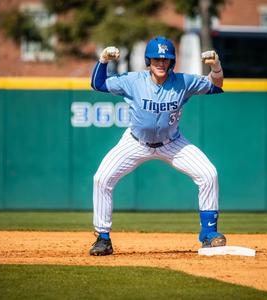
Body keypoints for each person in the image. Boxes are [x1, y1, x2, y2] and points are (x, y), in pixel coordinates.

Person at [89, 36, 225, 256]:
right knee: (101, 178)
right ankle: (103, 237)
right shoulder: (133, 80)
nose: (161, 63)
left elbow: (215, 86)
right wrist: (103, 61)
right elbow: (98, 84)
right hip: (135, 143)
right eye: (156, 59)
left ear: (172, 62)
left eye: (166, 59)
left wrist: (216, 67)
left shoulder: (183, 81)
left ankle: (209, 234)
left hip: (173, 143)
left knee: (209, 173)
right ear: (148, 61)